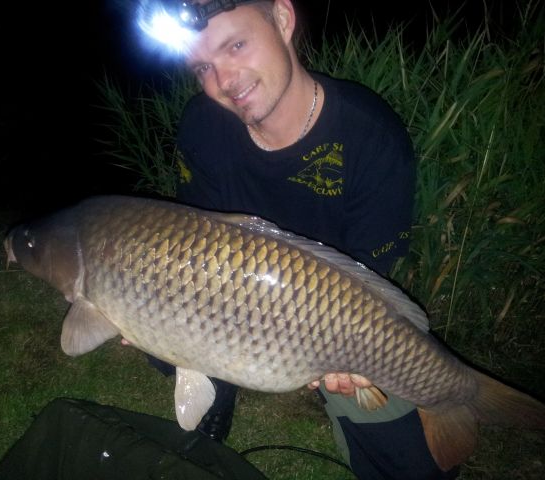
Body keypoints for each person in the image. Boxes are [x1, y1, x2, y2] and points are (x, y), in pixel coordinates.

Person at [136, 0, 458, 478]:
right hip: (229, 298)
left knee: (408, 463)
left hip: (329, 320)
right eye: (204, 66)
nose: (224, 81)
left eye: (237, 45)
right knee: (145, 304)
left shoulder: (370, 136)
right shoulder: (202, 126)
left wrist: (343, 353)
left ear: (283, 20)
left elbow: (373, 275)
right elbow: (195, 238)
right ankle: (220, 390)